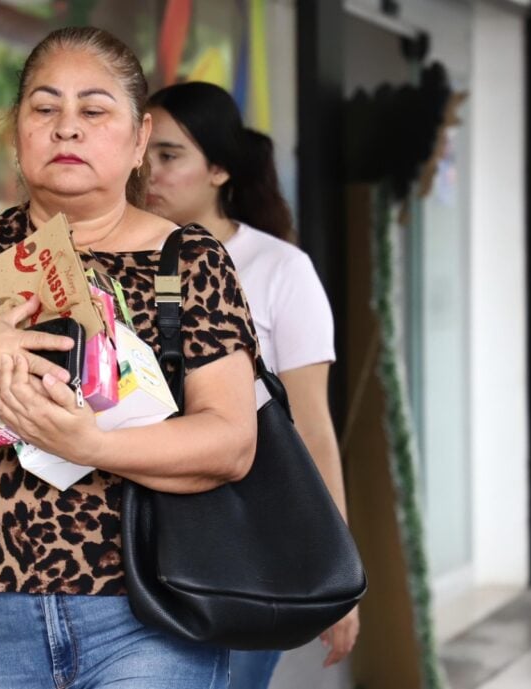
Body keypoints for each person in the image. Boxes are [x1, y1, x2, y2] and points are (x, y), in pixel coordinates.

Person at [0, 28, 259, 689]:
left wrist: (90, 442)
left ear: (139, 141)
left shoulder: (188, 260)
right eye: (45, 109)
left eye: (95, 110)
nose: (67, 129)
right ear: (16, 133)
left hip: (150, 615)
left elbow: (230, 441)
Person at [145, 81, 360, 687]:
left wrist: (336, 567)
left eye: (169, 156)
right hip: (135, 539)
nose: (150, 174)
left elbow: (312, 426)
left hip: (243, 546)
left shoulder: (279, 269)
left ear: (218, 168)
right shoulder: (117, 260)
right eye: (143, 156)